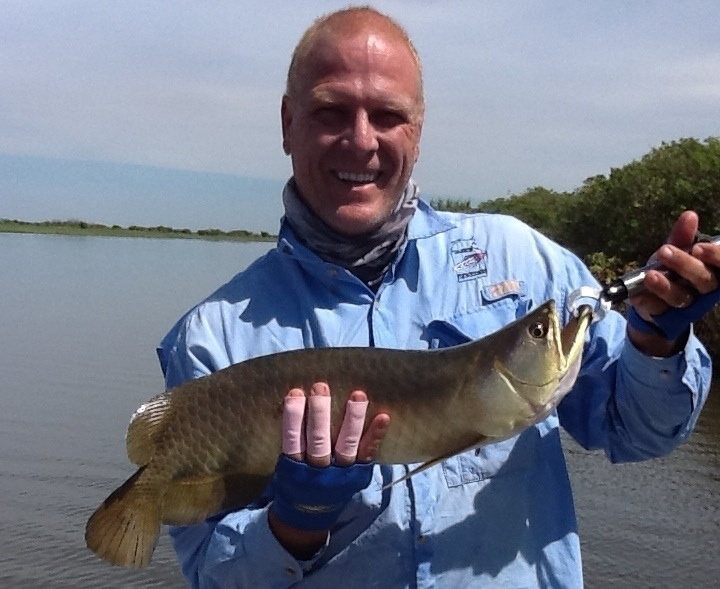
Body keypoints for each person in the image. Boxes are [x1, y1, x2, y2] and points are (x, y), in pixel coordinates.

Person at [157, 6, 720, 588]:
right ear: (287, 123)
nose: (360, 139)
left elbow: (638, 431)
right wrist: (293, 527)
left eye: (387, 114)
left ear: (418, 132)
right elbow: (213, 576)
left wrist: (656, 342)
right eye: (331, 111)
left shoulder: (521, 261)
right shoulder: (212, 340)